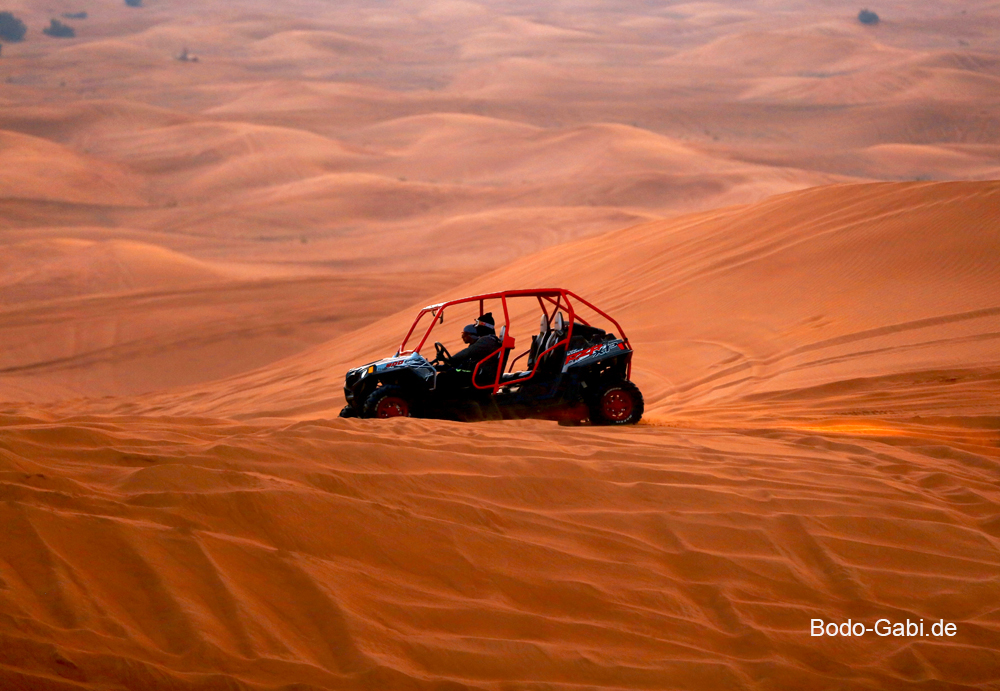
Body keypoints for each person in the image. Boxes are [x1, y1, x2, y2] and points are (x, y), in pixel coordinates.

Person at [442, 314, 502, 389]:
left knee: (443, 377)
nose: (476, 327)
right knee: (451, 371)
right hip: (480, 373)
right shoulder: (489, 340)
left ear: (484, 326)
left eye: (477, 324)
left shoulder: (487, 340)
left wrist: (449, 359)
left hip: (480, 376)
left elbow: (467, 353)